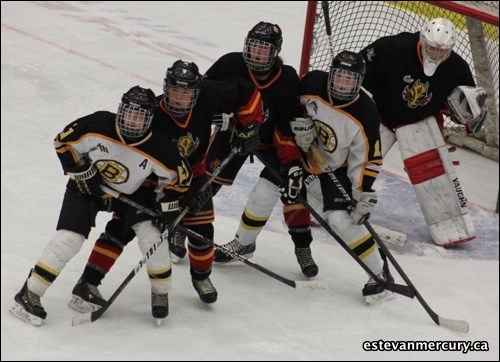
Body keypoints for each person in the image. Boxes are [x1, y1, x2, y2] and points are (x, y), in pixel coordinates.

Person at [67, 60, 264, 312]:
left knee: (202, 230)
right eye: (174, 91)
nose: (179, 98)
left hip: (194, 175)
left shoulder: (209, 97)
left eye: (186, 92)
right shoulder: (153, 116)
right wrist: (166, 200)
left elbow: (245, 91)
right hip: (149, 182)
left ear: (196, 91)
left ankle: (201, 278)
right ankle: (88, 282)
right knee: (121, 227)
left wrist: (248, 125)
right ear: (165, 88)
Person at [10, 86, 192, 326]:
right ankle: (29, 292)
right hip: (87, 187)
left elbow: (181, 179)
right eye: (129, 113)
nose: (132, 121)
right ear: (121, 110)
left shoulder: (160, 146)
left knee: (153, 236)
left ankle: (160, 292)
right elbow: (62, 142)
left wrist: (168, 206)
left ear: (149, 119)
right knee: (69, 238)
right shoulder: (99, 124)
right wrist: (80, 169)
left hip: (133, 193)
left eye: (140, 117)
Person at [176, 21, 317, 277]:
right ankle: (180, 229)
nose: (257, 55)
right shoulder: (230, 63)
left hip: (272, 143)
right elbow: (201, 96)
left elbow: (285, 126)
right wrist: (217, 116)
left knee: (292, 188)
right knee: (205, 182)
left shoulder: (286, 78)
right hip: (234, 135)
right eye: (253, 48)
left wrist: (292, 163)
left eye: (264, 50)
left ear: (275, 53)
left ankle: (302, 247)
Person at [358, 18, 488, 247]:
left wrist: (470, 115)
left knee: (432, 171)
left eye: (442, 51)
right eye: (431, 48)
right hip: (380, 114)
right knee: (360, 158)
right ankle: (328, 199)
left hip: (419, 122)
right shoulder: (393, 48)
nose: (436, 55)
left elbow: (467, 112)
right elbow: (358, 70)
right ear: (422, 40)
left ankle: (451, 225)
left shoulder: (457, 68)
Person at [291, 50, 394, 304]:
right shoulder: (313, 82)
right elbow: (288, 105)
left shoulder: (366, 112)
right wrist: (299, 122)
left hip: (333, 167)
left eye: (350, 79)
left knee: (341, 219)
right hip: (298, 155)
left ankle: (378, 273)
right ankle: (244, 242)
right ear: (331, 74)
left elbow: (367, 158)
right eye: (340, 77)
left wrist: (362, 193)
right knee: (267, 189)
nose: (343, 84)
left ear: (359, 82)